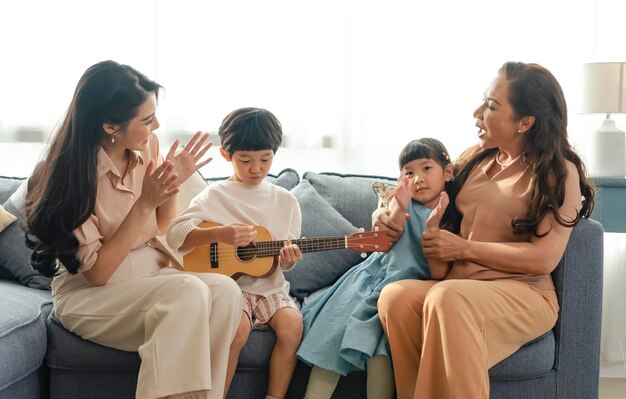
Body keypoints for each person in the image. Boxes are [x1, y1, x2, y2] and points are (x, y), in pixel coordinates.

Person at [375, 61, 595, 399]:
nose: (478, 111)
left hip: (522, 292)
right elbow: (417, 191)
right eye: (483, 100)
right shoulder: (476, 158)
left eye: (491, 105)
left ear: (525, 122)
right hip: (460, 288)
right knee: (397, 297)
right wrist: (387, 212)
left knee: (447, 298)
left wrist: (462, 249)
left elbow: (544, 259)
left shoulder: (557, 172)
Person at [24, 60, 242, 399]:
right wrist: (143, 204)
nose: (156, 126)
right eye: (145, 120)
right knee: (187, 291)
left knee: (225, 292)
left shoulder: (147, 149)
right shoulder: (65, 177)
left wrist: (172, 185)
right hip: (90, 295)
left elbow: (162, 230)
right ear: (110, 125)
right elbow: (97, 274)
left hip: (149, 279)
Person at [297, 138, 454, 399]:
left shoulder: (451, 214)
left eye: (427, 169)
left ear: (447, 172)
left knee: (378, 349)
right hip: (371, 279)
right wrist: (400, 205)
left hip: (403, 292)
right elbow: (386, 239)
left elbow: (438, 272)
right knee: (333, 334)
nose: (418, 178)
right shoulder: (401, 202)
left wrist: (434, 228)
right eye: (409, 173)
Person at [166, 107, 304, 399]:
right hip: (230, 288)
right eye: (246, 160)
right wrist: (219, 233)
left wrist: (288, 261)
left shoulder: (286, 202)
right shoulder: (215, 196)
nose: (256, 168)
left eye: (265, 159)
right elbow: (175, 234)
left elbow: (282, 260)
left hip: (271, 290)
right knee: (237, 330)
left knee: (293, 326)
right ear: (227, 156)